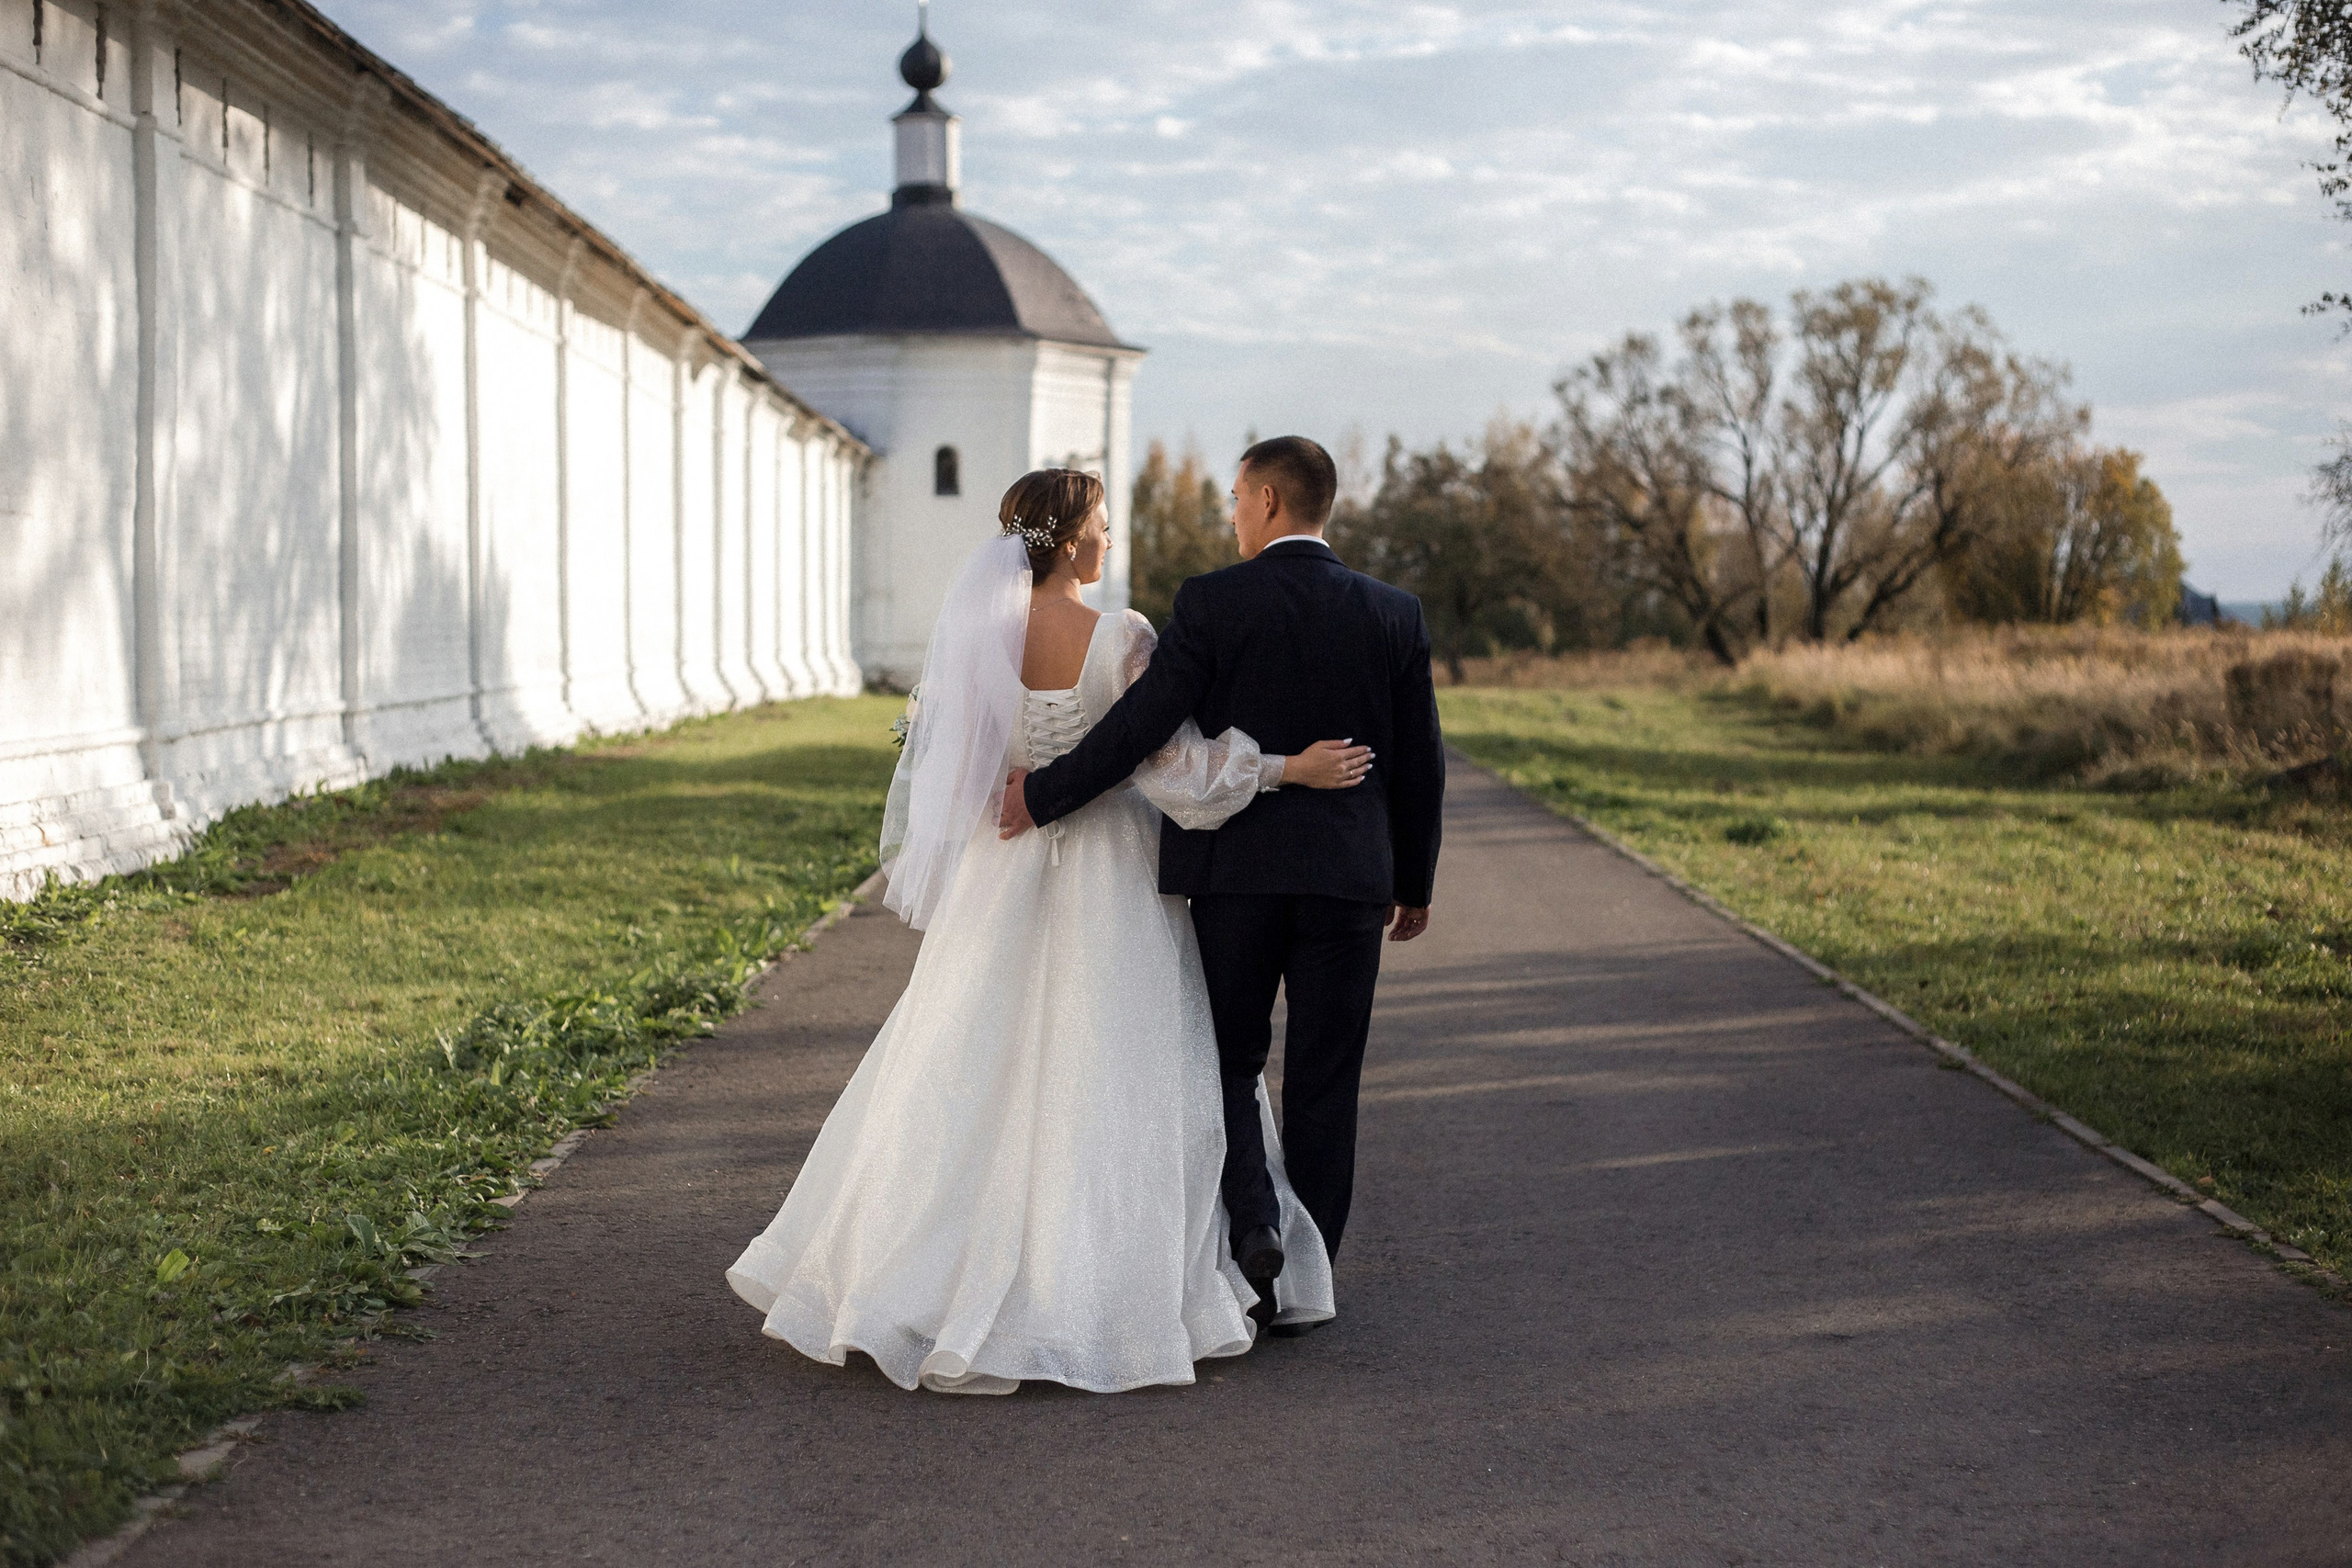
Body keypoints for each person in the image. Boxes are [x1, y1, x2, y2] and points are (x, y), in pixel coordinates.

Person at [727, 467, 1370, 1394]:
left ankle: (916, 1274)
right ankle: (1103, 1287)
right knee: (1118, 1073)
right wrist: (1286, 770)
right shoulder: (1123, 638)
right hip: (1112, 871)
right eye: (1102, 526)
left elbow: (962, 766)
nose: (1110, 539)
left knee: (963, 1064)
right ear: (1071, 543)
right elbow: (1175, 769)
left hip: (1003, 872)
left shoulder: (976, 638)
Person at [999, 435, 1444, 1335]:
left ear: (1271, 501)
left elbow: (1141, 729)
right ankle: (1299, 1290)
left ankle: (1252, 1231)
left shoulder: (1211, 602)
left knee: (1228, 1066)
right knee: (1325, 1083)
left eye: (1238, 497)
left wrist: (1043, 795)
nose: (1232, 513)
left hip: (1234, 878)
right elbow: (1419, 760)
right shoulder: (1393, 612)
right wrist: (1413, 878)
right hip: (1348, 884)